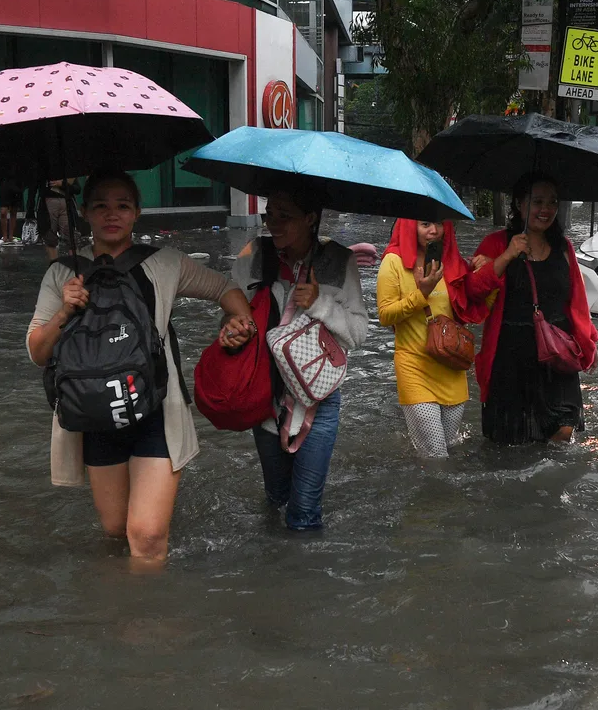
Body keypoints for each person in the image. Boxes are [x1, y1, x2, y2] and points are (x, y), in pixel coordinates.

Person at [27, 169, 256, 565]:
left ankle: (145, 623)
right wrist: (65, 309)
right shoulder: (62, 274)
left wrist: (240, 322)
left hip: (156, 409)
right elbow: (37, 352)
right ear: (83, 211)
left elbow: (224, 288)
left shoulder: (164, 264)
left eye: (122, 206)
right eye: (100, 206)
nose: (111, 214)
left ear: (137, 213)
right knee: (117, 529)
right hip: (95, 415)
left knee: (147, 536)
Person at [232, 185, 368, 530]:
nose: (273, 224)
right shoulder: (253, 255)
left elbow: (357, 335)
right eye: (269, 215)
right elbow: (230, 310)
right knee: (276, 500)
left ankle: (304, 578)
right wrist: (232, 328)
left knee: (304, 513)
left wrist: (321, 304)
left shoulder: (339, 261)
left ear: (310, 218)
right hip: (262, 398)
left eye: (284, 216)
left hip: (318, 402)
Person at [467, 177, 598, 444]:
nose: (546, 209)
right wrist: (506, 256)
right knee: (512, 443)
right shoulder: (495, 244)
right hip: (510, 357)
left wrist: (588, 343)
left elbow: (577, 301)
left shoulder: (564, 247)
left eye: (552, 202)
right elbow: (472, 293)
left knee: (563, 430)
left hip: (557, 354)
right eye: (537, 201)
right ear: (519, 203)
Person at [376, 218, 485, 457]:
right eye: (425, 224)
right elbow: (385, 315)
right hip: (415, 368)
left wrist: (484, 271)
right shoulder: (393, 262)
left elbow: (475, 307)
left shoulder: (453, 264)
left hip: (452, 367)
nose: (434, 231)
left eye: (438, 224)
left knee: (449, 450)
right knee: (437, 457)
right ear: (409, 227)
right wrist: (421, 293)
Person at [42, 177, 80, 261]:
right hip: (48, 202)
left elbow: (77, 189)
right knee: (50, 236)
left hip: (66, 202)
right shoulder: (44, 169)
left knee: (70, 236)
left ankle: (72, 266)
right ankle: (54, 266)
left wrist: (62, 184)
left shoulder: (68, 171)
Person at [0, 179, 24, 245]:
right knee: (3, 212)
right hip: (5, 182)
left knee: (14, 211)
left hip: (16, 182)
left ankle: (11, 237)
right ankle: (4, 237)